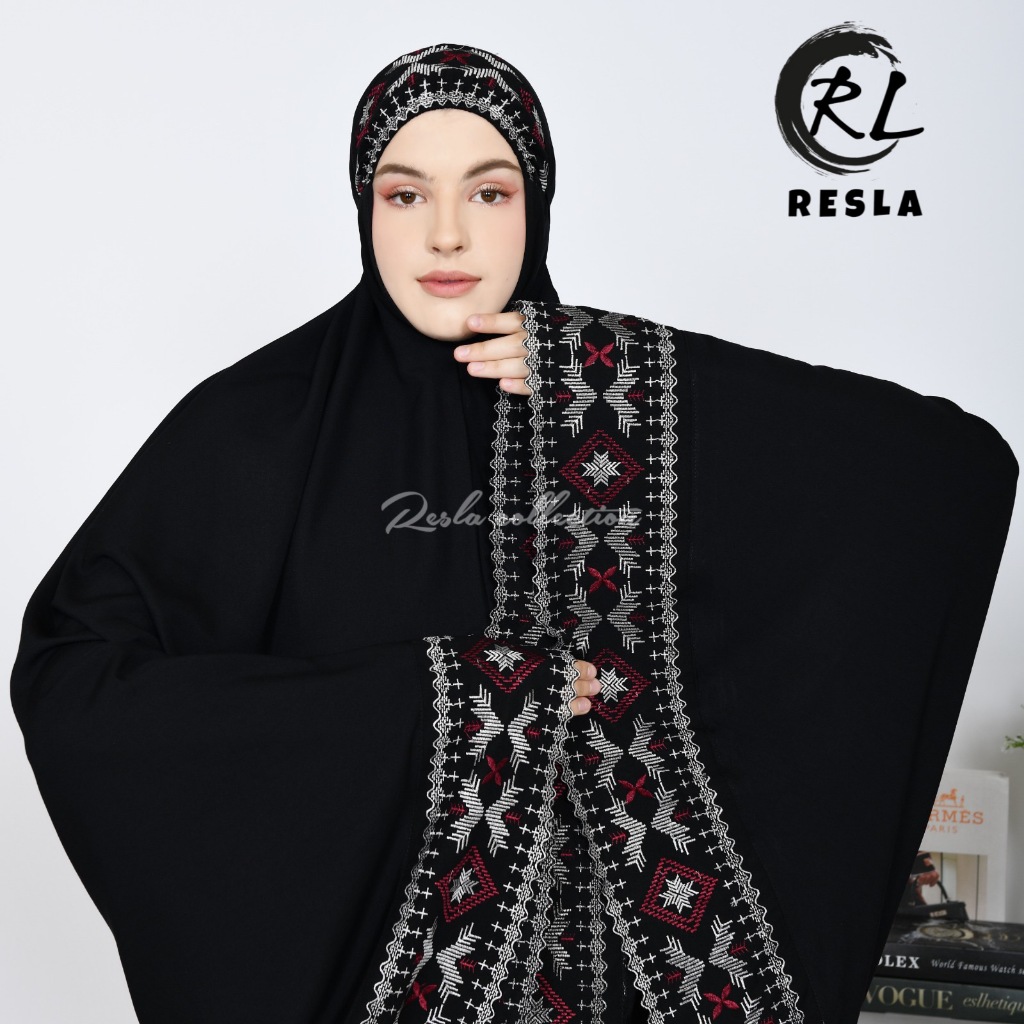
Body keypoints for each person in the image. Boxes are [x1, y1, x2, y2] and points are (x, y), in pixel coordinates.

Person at [9, 42, 1017, 1024]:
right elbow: (77, 686)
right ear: (364, 209)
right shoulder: (259, 430)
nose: (446, 235)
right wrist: (438, 700)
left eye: (488, 192)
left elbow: (952, 472)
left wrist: (637, 373)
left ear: (535, 205)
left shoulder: (623, 395)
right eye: (406, 195)